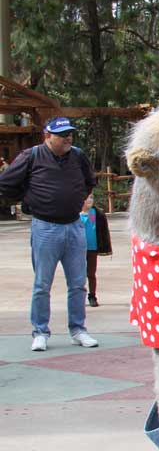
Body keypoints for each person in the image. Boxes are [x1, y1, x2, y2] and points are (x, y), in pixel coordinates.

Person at [0, 116, 99, 351]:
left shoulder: (77, 155)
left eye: (70, 134)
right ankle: (40, 331)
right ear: (47, 136)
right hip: (45, 227)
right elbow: (5, 183)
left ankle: (78, 330)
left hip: (74, 226)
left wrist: (75, 198)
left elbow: (89, 181)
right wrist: (28, 198)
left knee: (77, 283)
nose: (67, 138)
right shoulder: (31, 156)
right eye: (62, 134)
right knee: (42, 284)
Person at [79, 193, 112, 307]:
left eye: (91, 198)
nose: (89, 200)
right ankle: (78, 296)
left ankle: (92, 295)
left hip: (92, 249)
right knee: (79, 274)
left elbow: (103, 231)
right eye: (87, 197)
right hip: (78, 250)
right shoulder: (76, 214)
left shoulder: (97, 214)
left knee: (91, 273)